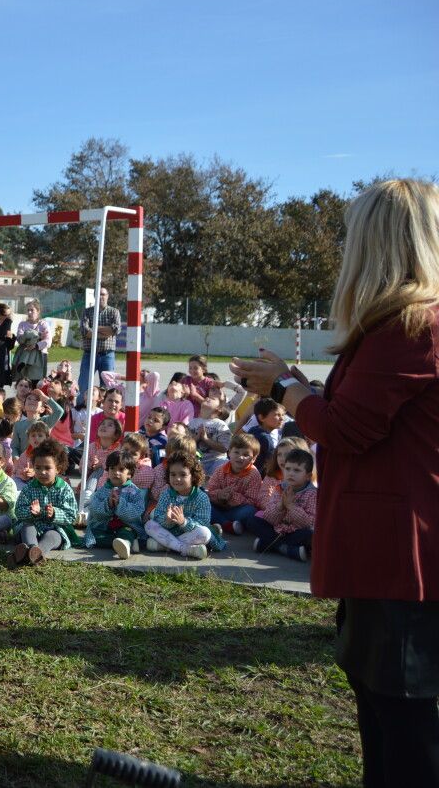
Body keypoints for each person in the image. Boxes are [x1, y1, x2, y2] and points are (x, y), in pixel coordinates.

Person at [231, 179, 438, 788]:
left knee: (402, 722)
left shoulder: (411, 323)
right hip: (388, 554)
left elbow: (346, 429)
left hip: (400, 557)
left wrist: (284, 390)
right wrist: (297, 384)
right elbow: (364, 417)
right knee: (383, 709)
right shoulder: (400, 324)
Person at [10, 439, 84, 565]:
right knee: (27, 527)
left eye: (47, 468)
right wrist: (30, 512)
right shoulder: (29, 487)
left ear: (58, 469)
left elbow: (71, 515)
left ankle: (37, 553)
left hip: (55, 527)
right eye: (38, 468)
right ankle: (31, 547)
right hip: (33, 524)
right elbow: (18, 510)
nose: (42, 472)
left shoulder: (64, 489)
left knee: (53, 536)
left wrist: (54, 513)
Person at [249, 448, 316, 561]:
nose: (291, 473)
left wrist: (291, 506)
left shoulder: (313, 493)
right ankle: (286, 549)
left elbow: (308, 523)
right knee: (252, 520)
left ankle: (268, 545)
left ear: (308, 476)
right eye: (288, 469)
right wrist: (281, 505)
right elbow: (269, 517)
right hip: (277, 529)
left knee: (310, 534)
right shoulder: (280, 488)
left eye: (297, 470)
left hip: (296, 532)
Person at [144, 453, 212, 560]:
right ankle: (185, 549)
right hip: (168, 532)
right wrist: (167, 520)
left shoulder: (201, 497)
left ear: (193, 476)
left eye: (183, 475)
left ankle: (165, 545)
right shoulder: (166, 494)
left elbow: (203, 522)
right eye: (173, 474)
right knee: (149, 525)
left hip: (189, 534)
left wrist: (183, 522)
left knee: (205, 533)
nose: (177, 479)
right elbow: (158, 517)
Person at [87, 451, 147, 560]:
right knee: (93, 536)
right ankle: (127, 544)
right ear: (107, 470)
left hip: (127, 526)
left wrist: (120, 503)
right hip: (105, 527)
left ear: (129, 473)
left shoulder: (135, 492)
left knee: (126, 532)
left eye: (121, 469)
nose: (116, 472)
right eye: (112, 469)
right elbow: (95, 511)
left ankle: (125, 543)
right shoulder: (102, 490)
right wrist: (108, 504)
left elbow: (136, 512)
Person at [206, 432, 263, 535]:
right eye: (236, 452)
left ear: (253, 458)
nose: (240, 457)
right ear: (229, 453)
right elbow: (211, 490)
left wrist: (232, 496)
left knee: (250, 511)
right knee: (202, 496)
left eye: (246, 455)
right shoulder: (221, 470)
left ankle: (218, 521)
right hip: (219, 506)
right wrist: (220, 494)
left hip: (237, 511)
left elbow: (252, 501)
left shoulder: (254, 474)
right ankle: (226, 524)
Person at [77, 287, 122, 397]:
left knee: (108, 386)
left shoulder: (114, 312)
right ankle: (81, 409)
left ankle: (104, 412)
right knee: (84, 385)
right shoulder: (87, 312)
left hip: (107, 355)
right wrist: (106, 331)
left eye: (103, 294)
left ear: (107, 296)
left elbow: (115, 330)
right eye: (99, 294)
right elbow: (85, 331)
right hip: (89, 354)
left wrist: (95, 328)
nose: (101, 297)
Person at [12, 301, 52, 381]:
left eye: (32, 310)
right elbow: (20, 339)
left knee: (36, 382)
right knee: (22, 383)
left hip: (39, 356)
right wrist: (37, 335)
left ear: (38, 311)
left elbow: (48, 341)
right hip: (23, 354)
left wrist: (36, 345)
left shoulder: (43, 324)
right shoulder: (22, 324)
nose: (29, 312)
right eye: (28, 310)